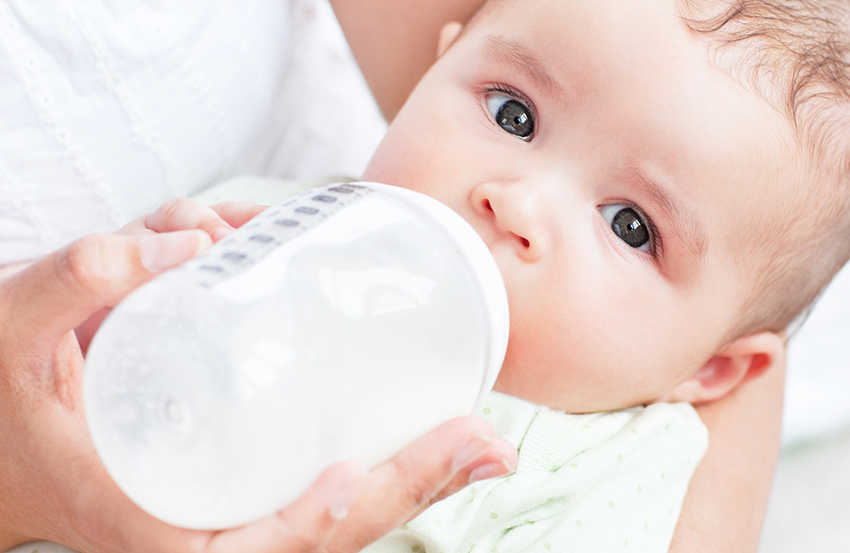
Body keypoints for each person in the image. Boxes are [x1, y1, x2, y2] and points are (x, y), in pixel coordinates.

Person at [0, 0, 796, 551]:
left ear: (714, 370)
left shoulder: (611, 467)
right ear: (435, 66)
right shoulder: (270, 224)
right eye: (512, 114)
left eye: (631, 226)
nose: (517, 201)